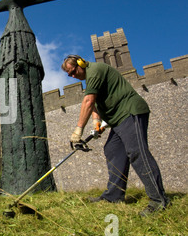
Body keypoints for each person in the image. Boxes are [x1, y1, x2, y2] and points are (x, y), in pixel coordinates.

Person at [61, 55, 170, 216]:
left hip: (130, 112)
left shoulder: (95, 71)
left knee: (137, 152)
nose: (72, 76)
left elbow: (89, 102)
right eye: (69, 75)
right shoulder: (91, 80)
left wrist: (78, 130)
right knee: (112, 150)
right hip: (118, 120)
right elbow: (96, 104)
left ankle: (159, 200)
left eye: (73, 71)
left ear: (81, 63)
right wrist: (96, 123)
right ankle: (114, 196)